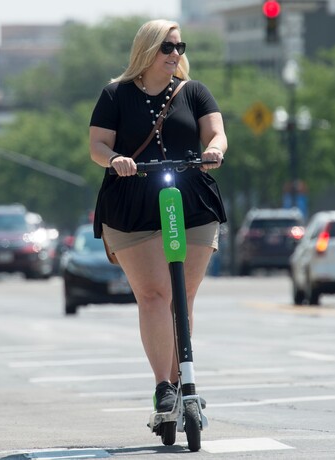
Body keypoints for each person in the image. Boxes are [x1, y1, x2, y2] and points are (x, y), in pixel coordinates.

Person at [89, 19, 227, 413]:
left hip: (193, 199)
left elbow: (216, 133)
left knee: (182, 296)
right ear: (147, 50)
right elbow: (97, 145)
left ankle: (185, 382)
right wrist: (116, 160)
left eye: (180, 48)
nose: (175, 55)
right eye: (168, 47)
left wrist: (215, 150)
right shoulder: (115, 95)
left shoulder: (194, 92)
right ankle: (164, 386)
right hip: (131, 203)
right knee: (154, 295)